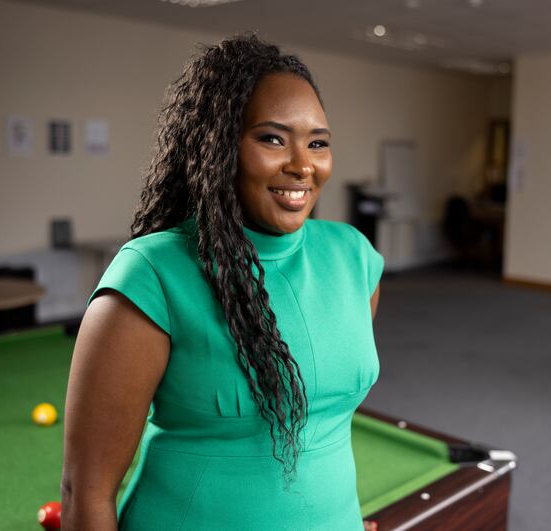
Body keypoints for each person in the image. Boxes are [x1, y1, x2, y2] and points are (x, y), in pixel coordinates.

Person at [60, 34, 384, 530]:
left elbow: (328, 418)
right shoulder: (151, 274)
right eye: (272, 139)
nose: (302, 165)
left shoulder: (353, 258)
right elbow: (87, 492)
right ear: (218, 146)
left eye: (317, 143)